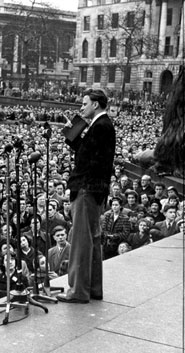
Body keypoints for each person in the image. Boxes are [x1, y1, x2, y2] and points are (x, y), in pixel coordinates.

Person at [57, 88, 115, 304]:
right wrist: (72, 136)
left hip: (86, 189)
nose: (81, 107)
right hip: (95, 190)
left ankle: (78, 290)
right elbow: (88, 153)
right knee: (92, 238)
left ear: (96, 105)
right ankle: (93, 288)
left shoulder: (100, 127)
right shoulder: (103, 125)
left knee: (81, 240)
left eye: (84, 103)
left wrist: (74, 135)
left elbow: (86, 161)